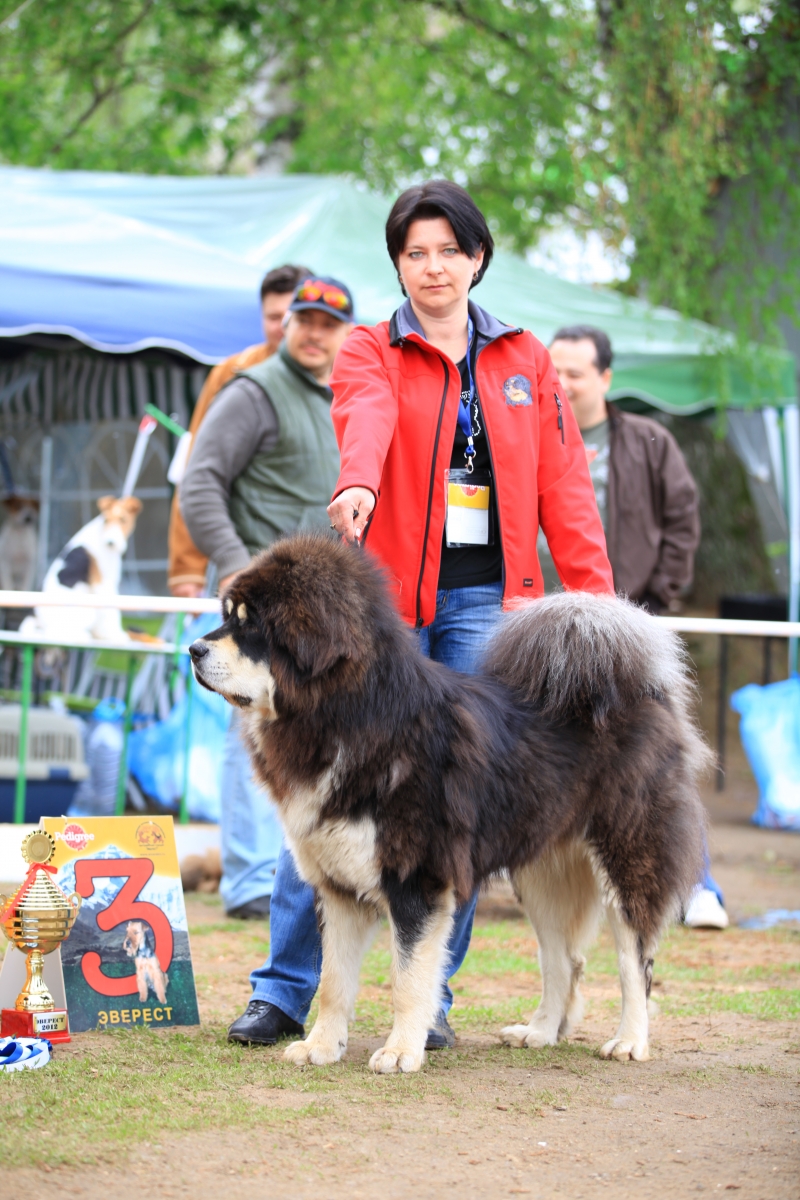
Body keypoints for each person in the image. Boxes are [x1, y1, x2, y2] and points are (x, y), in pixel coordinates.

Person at [226, 179, 614, 1050]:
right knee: (319, 788)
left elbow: (564, 486)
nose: (431, 267)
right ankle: (287, 991)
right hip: (387, 605)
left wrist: (594, 603)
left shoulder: (525, 360)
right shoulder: (370, 347)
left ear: (476, 257)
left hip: (490, 602)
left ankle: (426, 1001)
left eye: (447, 250)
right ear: (398, 263)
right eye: (413, 253)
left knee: (457, 807)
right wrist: (356, 480)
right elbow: (363, 417)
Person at [180, 276, 354, 920]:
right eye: (303, 320)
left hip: (312, 611)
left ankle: (296, 869)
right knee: (248, 730)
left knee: (295, 733)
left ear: (345, 332)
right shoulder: (253, 392)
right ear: (286, 324)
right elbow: (199, 485)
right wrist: (232, 565)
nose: (313, 333)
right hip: (255, 608)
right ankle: (250, 878)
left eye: (328, 324)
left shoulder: (347, 394)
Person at [548, 324, 728, 930]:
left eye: (575, 372)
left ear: (604, 377)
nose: (564, 383)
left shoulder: (648, 441)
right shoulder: (529, 432)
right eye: (555, 371)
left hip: (630, 626)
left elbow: (683, 520)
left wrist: (654, 600)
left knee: (655, 754)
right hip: (541, 635)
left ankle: (697, 884)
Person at [168, 264, 311, 599]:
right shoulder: (233, 374)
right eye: (274, 317)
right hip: (245, 561)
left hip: (320, 565)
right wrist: (186, 568)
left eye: (294, 316)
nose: (284, 326)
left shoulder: (341, 375)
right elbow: (197, 473)